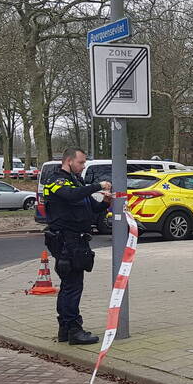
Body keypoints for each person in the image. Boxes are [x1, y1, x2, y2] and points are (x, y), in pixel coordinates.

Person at [43, 148, 110, 345]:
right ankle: (73, 329)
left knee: (69, 285)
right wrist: (98, 185)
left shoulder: (77, 181)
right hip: (65, 241)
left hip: (77, 240)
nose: (82, 166)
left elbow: (92, 208)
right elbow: (71, 196)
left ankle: (65, 328)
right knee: (72, 286)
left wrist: (105, 202)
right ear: (69, 161)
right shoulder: (56, 181)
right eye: (81, 163)